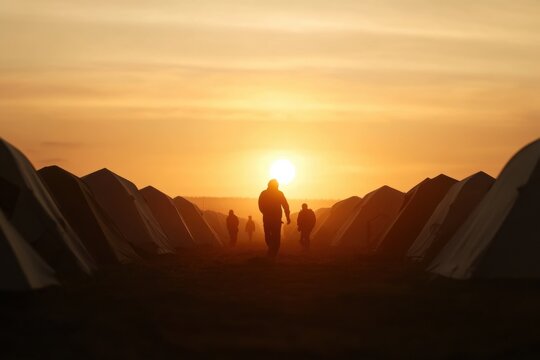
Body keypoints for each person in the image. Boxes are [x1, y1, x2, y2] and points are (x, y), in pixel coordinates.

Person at [258, 179, 290, 258]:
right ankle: (273, 249)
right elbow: (285, 206)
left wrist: (265, 212)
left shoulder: (264, 193)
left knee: (270, 235)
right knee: (275, 235)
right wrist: (287, 217)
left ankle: (273, 250)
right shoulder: (278, 194)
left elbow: (260, 205)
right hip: (274, 218)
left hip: (270, 218)